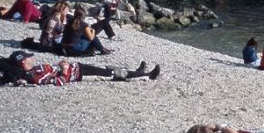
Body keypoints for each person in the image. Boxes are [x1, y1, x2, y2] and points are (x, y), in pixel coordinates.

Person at [10, 50, 160, 86]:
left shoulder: (34, 69)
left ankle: (137, 72)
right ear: (23, 62)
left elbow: (54, 72)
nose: (31, 58)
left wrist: (61, 64)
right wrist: (64, 69)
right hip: (79, 74)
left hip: (78, 68)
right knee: (112, 74)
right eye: (28, 57)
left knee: (108, 68)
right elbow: (60, 81)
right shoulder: (33, 75)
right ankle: (146, 76)